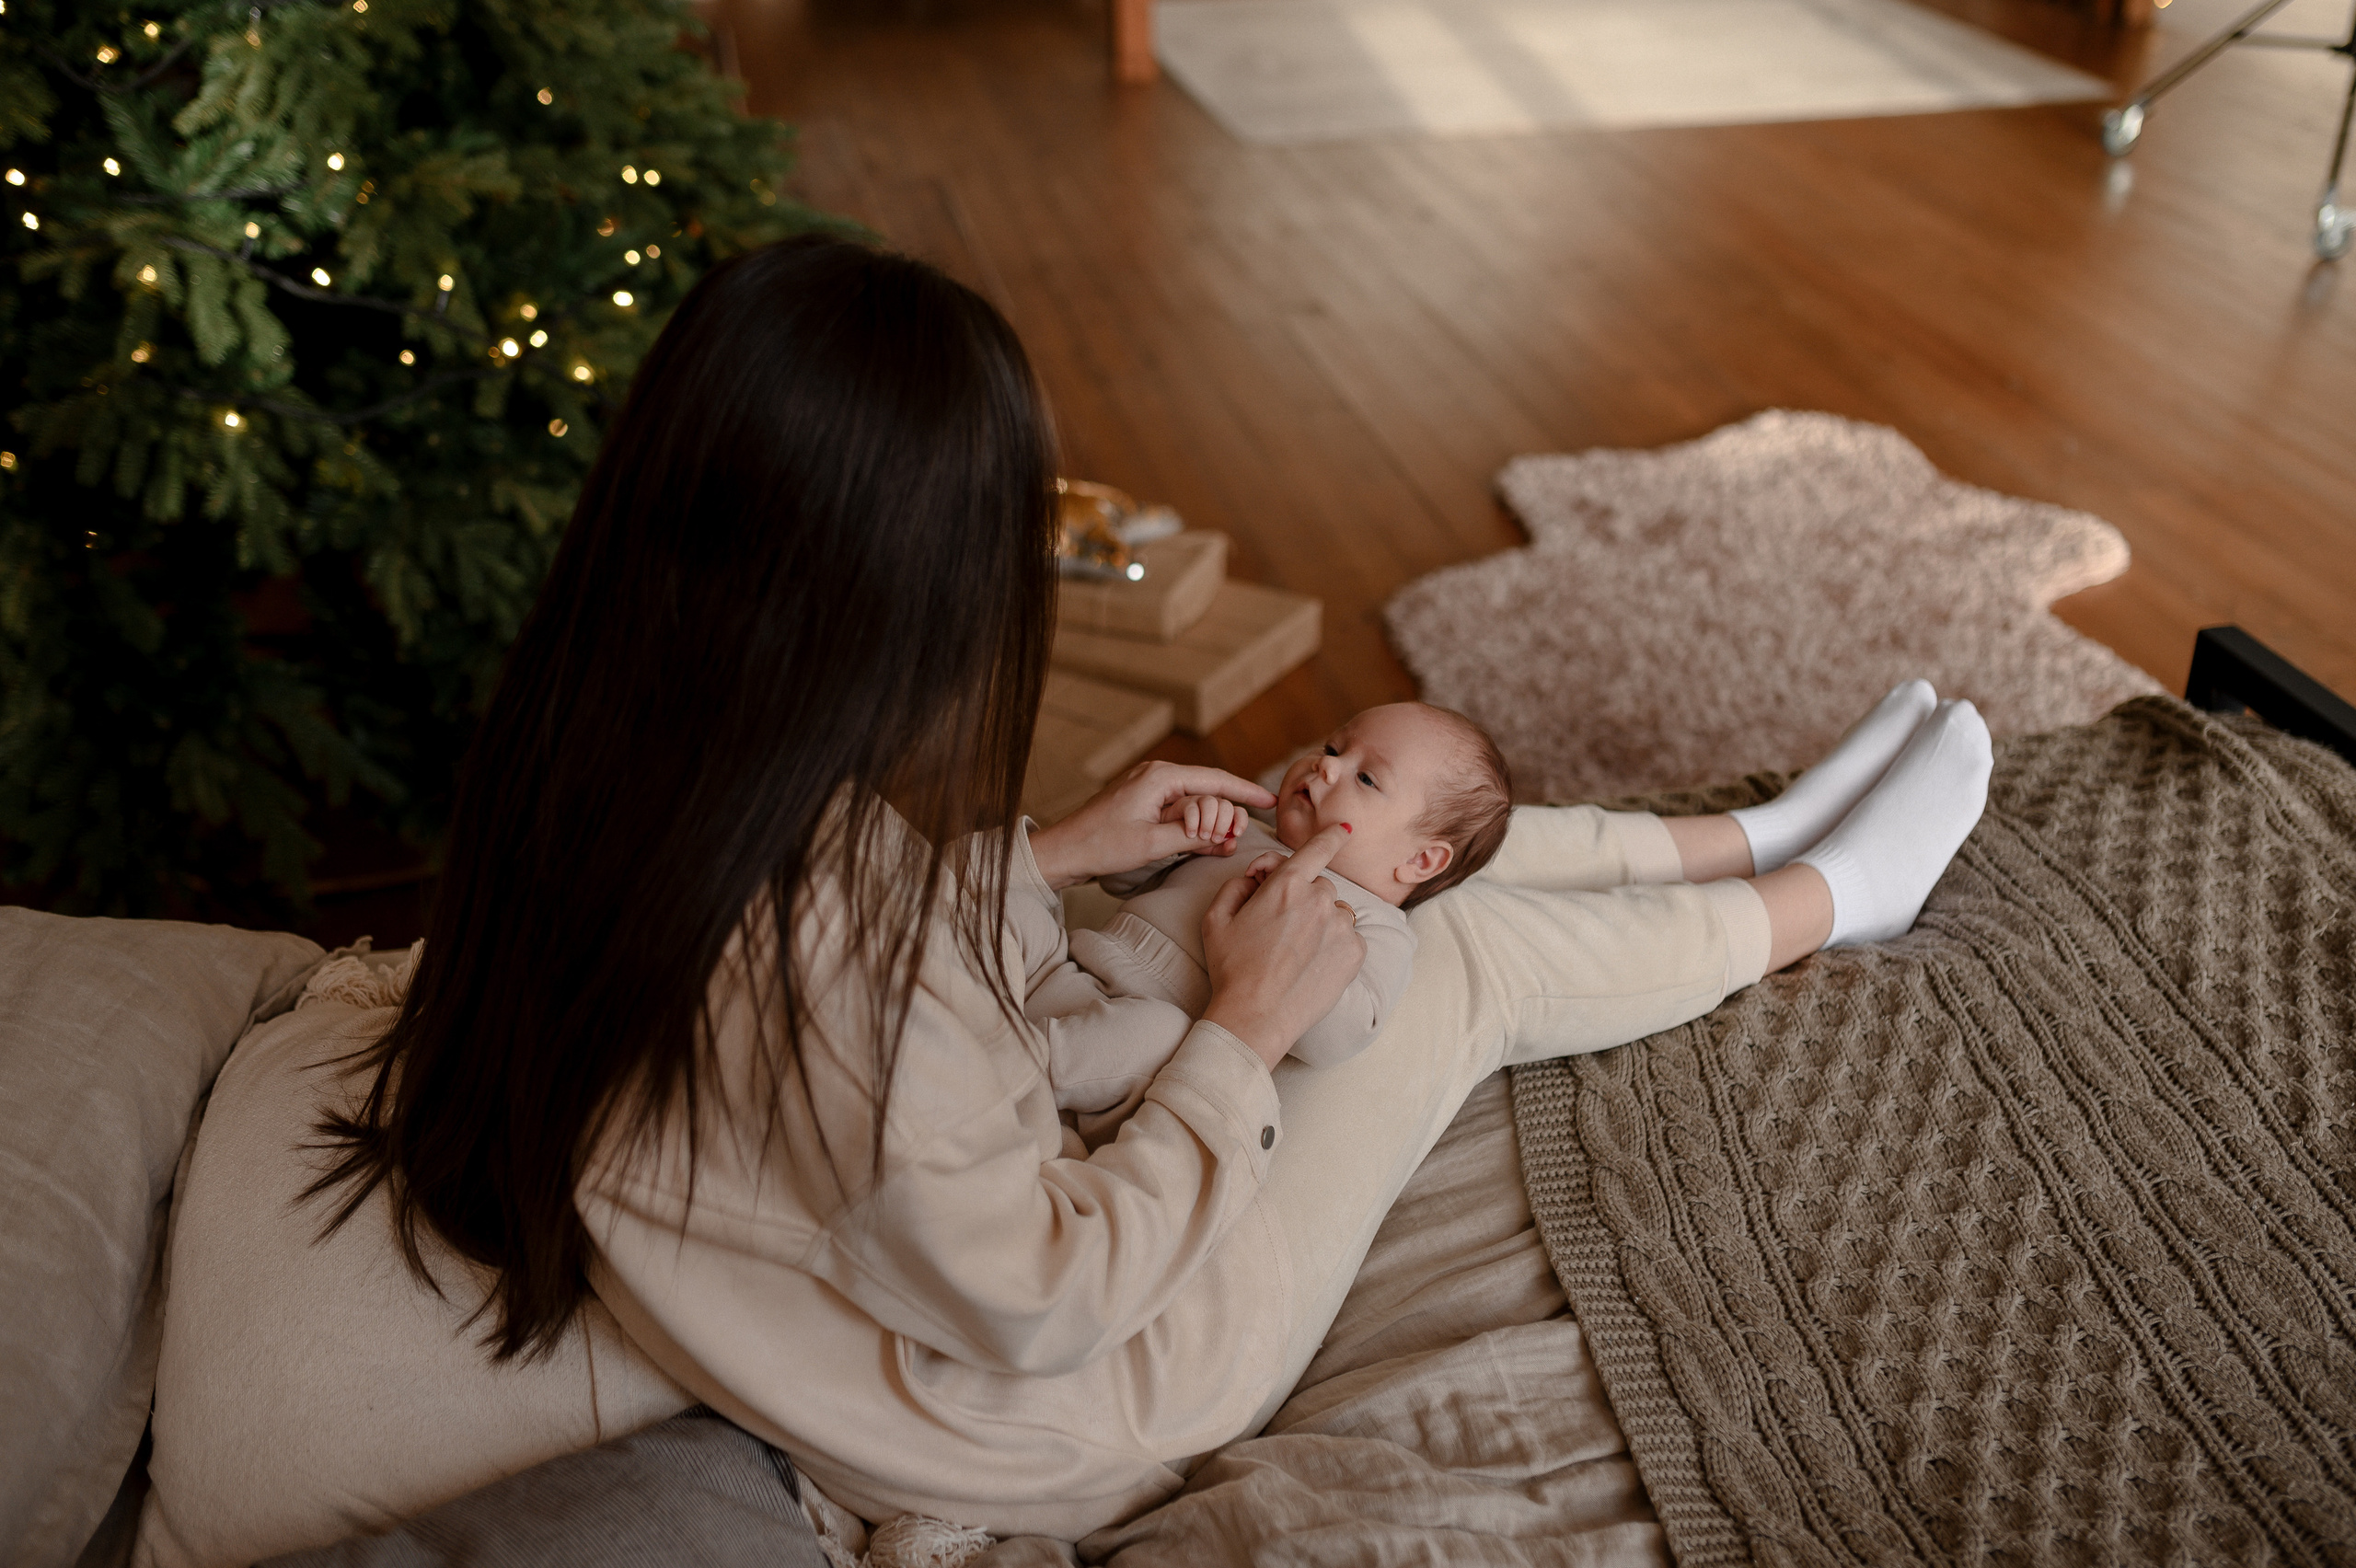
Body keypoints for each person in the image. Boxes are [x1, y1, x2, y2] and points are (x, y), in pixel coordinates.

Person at [133, 236, 1992, 1566]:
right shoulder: (853, 973)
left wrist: (1049, 852)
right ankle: (1827, 893)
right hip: (1057, 1394)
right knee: (1456, 946)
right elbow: (1036, 1295)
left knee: (1412, 857)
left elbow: (800, 925)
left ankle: (1750, 836)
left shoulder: (602, 747)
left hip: (858, 1248)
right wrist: (1245, 1033)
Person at [1036, 700, 1512, 1144]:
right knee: (1026, 919)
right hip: (1070, 967)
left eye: (1365, 779)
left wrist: (1296, 935)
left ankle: (1013, 1073)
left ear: (1422, 860)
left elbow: (1339, 1038)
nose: (1326, 766)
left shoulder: (1372, 927)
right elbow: (1119, 881)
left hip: (1140, 1045)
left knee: (1154, 1034)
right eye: (1333, 748)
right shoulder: (1241, 833)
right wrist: (1178, 831)